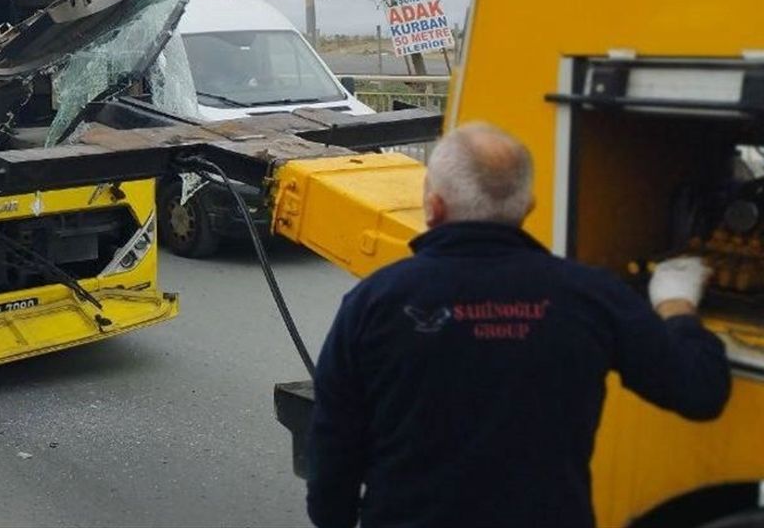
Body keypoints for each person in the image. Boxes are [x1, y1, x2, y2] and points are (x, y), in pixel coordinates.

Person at [307, 122, 732, 528]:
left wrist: (336, 517)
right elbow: (700, 390)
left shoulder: (375, 302)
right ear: (527, 206)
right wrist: (676, 304)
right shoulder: (591, 296)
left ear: (433, 206)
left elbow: (335, 442)